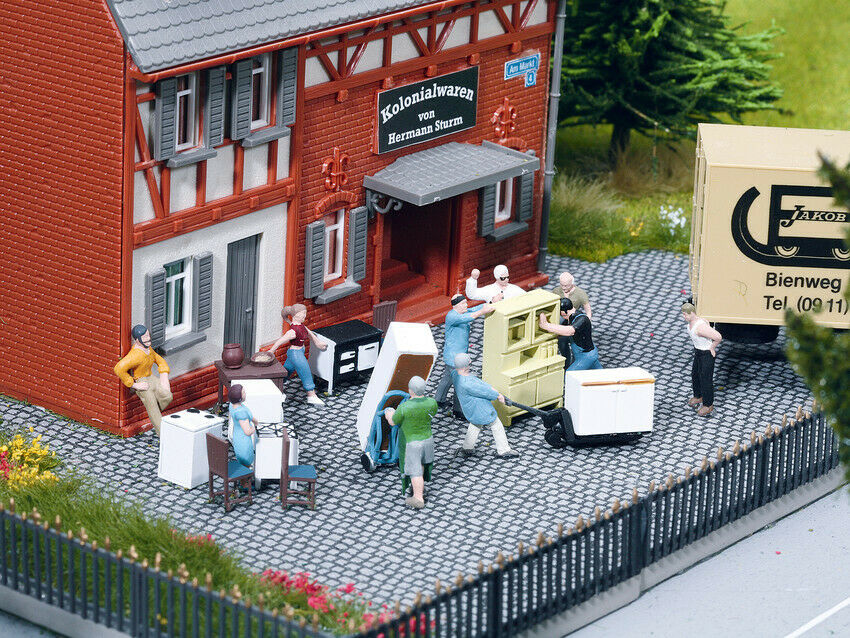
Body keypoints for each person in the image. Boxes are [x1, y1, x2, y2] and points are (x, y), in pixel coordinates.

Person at [384, 376, 437, 509]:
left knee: (415, 471)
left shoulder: (405, 407)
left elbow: (393, 422)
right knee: (420, 465)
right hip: (428, 441)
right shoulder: (432, 402)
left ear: (410, 390)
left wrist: (389, 413)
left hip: (413, 443)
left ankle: (418, 498)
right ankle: (418, 487)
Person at [434, 295, 492, 415]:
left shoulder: (461, 312)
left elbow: (473, 310)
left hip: (456, 355)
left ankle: (439, 400)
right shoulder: (452, 316)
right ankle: (459, 410)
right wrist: (482, 311)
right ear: (456, 305)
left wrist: (490, 302)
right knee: (459, 383)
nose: (466, 305)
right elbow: (471, 316)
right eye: (463, 303)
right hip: (455, 358)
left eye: (466, 303)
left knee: (447, 379)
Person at [453, 353, 519, 458]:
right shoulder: (468, 384)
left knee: (475, 424)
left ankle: (467, 447)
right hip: (480, 409)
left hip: (471, 409)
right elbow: (483, 391)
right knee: (496, 425)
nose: (470, 363)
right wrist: (498, 395)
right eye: (469, 363)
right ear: (465, 366)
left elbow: (478, 383)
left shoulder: (455, 375)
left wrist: (493, 391)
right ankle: (504, 450)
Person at [114, 324, 172, 434]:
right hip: (142, 381)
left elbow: (159, 360)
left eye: (148, 335)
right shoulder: (135, 355)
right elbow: (118, 368)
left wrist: (164, 375)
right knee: (153, 409)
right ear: (137, 340)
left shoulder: (148, 349)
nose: (148, 338)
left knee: (167, 396)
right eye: (144, 337)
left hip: (151, 378)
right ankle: (163, 435)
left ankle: (154, 412)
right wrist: (134, 385)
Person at [266, 304, 328, 405]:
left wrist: (317, 342)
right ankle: (311, 395)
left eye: (305, 313)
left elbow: (310, 333)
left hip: (300, 351)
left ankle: (276, 387)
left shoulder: (301, 326)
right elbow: (280, 341)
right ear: (296, 315)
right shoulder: (292, 331)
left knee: (287, 371)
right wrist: (271, 351)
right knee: (305, 371)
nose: (304, 316)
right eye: (302, 314)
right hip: (296, 354)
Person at [681, 302, 722, 417]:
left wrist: (712, 348)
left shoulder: (700, 328)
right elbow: (707, 322)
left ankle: (708, 405)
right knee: (695, 374)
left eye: (685, 314)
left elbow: (718, 337)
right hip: (698, 352)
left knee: (706, 379)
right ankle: (698, 396)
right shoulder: (692, 324)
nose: (684, 317)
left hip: (706, 354)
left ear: (692, 313)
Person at [538, 298, 602, 371]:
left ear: (563, 312)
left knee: (569, 374)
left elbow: (570, 331)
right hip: (581, 353)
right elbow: (563, 331)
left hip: (586, 355)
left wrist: (546, 325)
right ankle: (566, 362)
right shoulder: (570, 317)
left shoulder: (582, 319)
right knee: (599, 371)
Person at [553, 271, 592, 366]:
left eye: (566, 285)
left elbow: (588, 311)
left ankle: (578, 362)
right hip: (561, 321)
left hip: (574, 321)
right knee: (562, 343)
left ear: (572, 283)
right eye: (561, 285)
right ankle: (566, 364)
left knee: (576, 345)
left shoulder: (580, 293)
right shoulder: (556, 291)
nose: (563, 288)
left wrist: (585, 324)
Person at [228, 384, 258, 468]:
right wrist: (254, 428)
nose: (245, 394)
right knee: (246, 461)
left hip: (237, 435)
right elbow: (247, 431)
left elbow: (249, 416)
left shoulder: (232, 405)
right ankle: (246, 475)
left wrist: (255, 421)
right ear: (239, 397)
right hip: (244, 441)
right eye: (243, 392)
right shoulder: (241, 413)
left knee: (242, 460)